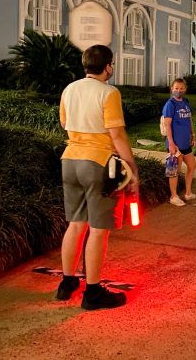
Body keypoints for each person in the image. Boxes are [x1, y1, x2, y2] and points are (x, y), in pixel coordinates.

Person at [57, 45, 139, 309]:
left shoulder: (69, 89)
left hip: (70, 160)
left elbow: (64, 123)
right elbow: (117, 135)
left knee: (75, 224)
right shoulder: (109, 93)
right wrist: (132, 169)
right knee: (98, 230)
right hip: (98, 163)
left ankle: (67, 283)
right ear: (108, 66)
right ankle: (93, 293)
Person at [163, 78, 196, 206]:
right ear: (172, 89)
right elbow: (167, 125)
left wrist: (193, 135)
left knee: (192, 166)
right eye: (176, 88)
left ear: (185, 89)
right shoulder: (170, 104)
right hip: (175, 145)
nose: (179, 90)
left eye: (181, 88)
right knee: (174, 171)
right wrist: (171, 143)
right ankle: (173, 196)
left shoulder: (186, 102)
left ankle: (188, 193)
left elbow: (189, 120)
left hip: (185, 143)